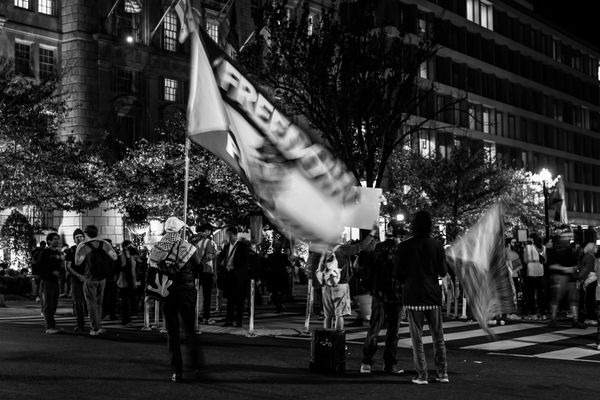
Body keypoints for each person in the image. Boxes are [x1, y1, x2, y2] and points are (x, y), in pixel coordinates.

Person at [394, 210, 449, 385]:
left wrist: (407, 279)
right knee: (438, 337)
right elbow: (443, 271)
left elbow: (397, 273)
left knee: (416, 339)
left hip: (413, 295)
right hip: (432, 295)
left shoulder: (404, 246)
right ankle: (442, 373)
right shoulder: (437, 245)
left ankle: (422, 375)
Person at [148, 217, 203, 383]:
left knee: (172, 332)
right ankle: (195, 367)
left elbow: (151, 271)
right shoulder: (188, 247)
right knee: (189, 329)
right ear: (180, 231)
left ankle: (177, 371)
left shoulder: (157, 248)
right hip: (186, 292)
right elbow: (198, 267)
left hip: (167, 293)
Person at [360, 223, 406, 375]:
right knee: (392, 332)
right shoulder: (400, 249)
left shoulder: (379, 247)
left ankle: (367, 363)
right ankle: (389, 364)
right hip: (395, 293)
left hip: (380, 293)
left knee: (375, 329)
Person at [320, 225, 378, 331]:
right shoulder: (342, 249)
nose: (343, 237)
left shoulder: (326, 250)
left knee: (328, 315)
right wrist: (372, 233)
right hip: (340, 285)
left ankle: (327, 337)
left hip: (327, 286)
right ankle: (337, 338)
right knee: (339, 315)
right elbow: (362, 245)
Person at [74, 225, 118, 336]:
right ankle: (98, 325)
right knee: (99, 302)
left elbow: (78, 262)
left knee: (91, 302)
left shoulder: (84, 246)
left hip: (90, 277)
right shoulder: (105, 244)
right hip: (102, 277)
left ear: (86, 234)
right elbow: (114, 257)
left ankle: (94, 328)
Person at [547, 232, 585, 328]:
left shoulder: (570, 250)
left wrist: (575, 269)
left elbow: (573, 263)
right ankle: (553, 319)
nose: (568, 239)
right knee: (556, 298)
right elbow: (551, 265)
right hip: (560, 277)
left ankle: (575, 320)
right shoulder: (555, 251)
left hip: (570, 277)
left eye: (569, 237)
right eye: (566, 237)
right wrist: (565, 269)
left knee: (573, 298)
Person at [217, 226, 251, 327]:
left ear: (235, 235)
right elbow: (221, 257)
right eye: (226, 235)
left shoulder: (243, 246)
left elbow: (245, 261)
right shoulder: (226, 246)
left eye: (229, 235)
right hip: (229, 275)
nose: (227, 237)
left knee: (239, 300)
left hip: (238, 276)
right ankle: (229, 320)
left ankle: (239, 321)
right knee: (230, 300)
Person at [38, 232, 64, 334]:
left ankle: (52, 324)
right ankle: (49, 326)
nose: (57, 241)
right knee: (48, 303)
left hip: (55, 281)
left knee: (54, 303)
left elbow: (60, 266)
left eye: (57, 239)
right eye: (54, 239)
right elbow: (40, 266)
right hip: (48, 281)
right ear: (49, 241)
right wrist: (51, 271)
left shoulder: (58, 253)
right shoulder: (45, 252)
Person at [193, 224, 217, 324]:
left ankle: (196, 314)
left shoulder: (195, 242)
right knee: (207, 295)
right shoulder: (209, 242)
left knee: (197, 294)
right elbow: (210, 256)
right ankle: (206, 317)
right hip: (206, 270)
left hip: (197, 270)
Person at [65, 228, 87, 331]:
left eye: (80, 237)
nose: (78, 239)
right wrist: (78, 276)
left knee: (89, 301)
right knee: (78, 301)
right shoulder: (71, 250)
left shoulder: (88, 249)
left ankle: (92, 322)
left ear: (84, 238)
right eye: (76, 237)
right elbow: (68, 266)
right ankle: (80, 323)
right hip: (76, 278)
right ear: (74, 239)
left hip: (87, 278)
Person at [523, 235, 546, 320]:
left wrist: (531, 260)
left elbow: (525, 260)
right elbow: (545, 260)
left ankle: (533, 314)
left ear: (532, 239)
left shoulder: (528, 247)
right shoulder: (543, 247)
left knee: (531, 294)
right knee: (541, 294)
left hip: (531, 272)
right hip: (540, 273)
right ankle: (543, 313)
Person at [266, 241, 292, 313]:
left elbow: (267, 266)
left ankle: (278, 305)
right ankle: (279, 305)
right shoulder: (284, 256)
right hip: (281, 276)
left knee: (275, 292)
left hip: (274, 276)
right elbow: (288, 264)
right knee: (282, 291)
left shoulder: (271, 256)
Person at [117, 240, 138, 326]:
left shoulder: (126, 256)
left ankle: (127, 318)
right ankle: (126, 319)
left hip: (125, 281)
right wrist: (133, 282)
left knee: (126, 300)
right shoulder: (123, 256)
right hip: (125, 281)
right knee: (125, 301)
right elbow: (126, 269)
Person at [576, 241, 597, 326]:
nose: (596, 248)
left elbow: (584, 269)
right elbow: (586, 270)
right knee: (590, 300)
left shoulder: (589, 256)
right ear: (591, 248)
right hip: (590, 280)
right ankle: (590, 317)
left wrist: (579, 278)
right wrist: (580, 278)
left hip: (589, 280)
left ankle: (590, 317)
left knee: (589, 300)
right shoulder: (590, 256)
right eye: (595, 247)